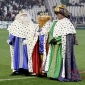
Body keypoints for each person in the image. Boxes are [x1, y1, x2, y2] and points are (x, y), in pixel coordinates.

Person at [47, 4, 81, 82]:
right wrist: (52, 39)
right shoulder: (56, 22)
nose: (57, 15)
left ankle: (62, 75)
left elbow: (67, 36)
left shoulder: (67, 23)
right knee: (55, 60)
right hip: (55, 46)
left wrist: (57, 40)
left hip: (62, 47)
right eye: (56, 14)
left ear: (63, 14)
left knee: (61, 60)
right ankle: (53, 74)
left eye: (59, 14)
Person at [7, 9, 34, 76]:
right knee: (16, 55)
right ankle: (16, 70)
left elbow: (32, 33)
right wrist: (10, 39)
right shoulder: (16, 23)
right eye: (23, 15)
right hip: (17, 42)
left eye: (25, 15)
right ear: (20, 15)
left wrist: (28, 40)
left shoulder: (30, 23)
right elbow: (12, 31)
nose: (24, 16)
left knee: (27, 55)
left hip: (26, 43)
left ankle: (26, 69)